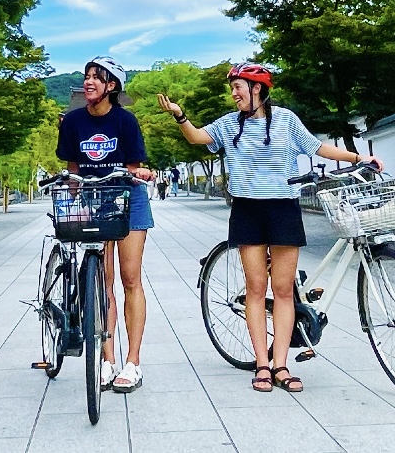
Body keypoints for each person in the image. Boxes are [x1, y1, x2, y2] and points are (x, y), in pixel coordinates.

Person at [159, 62, 382, 394]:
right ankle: (262, 365)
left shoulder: (287, 120)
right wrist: (180, 116)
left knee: (282, 290)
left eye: (238, 87)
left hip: (283, 208)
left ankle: (281, 365)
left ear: (257, 89)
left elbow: (318, 148)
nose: (233, 94)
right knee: (255, 288)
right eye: (232, 88)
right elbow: (197, 137)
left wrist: (357, 158)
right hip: (247, 209)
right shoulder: (229, 124)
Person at [57, 55, 154, 394]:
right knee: (102, 280)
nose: (89, 82)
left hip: (128, 198)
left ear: (111, 86)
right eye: (87, 76)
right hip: (92, 198)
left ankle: (133, 362)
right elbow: (73, 168)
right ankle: (107, 359)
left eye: (97, 77)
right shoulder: (73, 121)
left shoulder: (125, 121)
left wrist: (140, 173)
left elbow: (134, 167)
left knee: (130, 278)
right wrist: (73, 199)